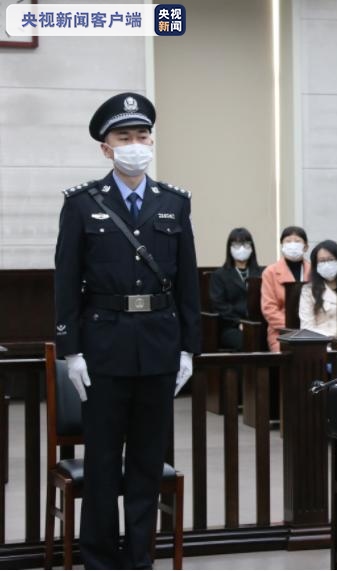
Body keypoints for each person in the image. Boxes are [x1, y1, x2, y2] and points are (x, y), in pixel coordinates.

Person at [53, 92, 200, 569]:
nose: (135, 145)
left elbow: (187, 282)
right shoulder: (81, 204)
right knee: (101, 462)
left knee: (145, 462)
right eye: (124, 137)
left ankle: (139, 559)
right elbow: (65, 281)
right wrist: (71, 350)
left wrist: (188, 349)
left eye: (142, 136)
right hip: (103, 348)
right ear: (106, 148)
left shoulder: (174, 203)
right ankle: (99, 560)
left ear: (151, 142)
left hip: (158, 347)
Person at [209, 227, 264, 350]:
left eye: (246, 244)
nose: (242, 248)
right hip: (232, 326)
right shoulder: (219, 275)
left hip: (259, 324)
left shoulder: (262, 273)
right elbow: (219, 305)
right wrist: (239, 322)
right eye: (237, 245)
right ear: (229, 248)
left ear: (252, 247)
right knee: (246, 341)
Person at [260, 226, 311, 351]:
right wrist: (294, 328)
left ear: (306, 247)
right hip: (281, 332)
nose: (292, 245)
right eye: (288, 241)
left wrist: (307, 327)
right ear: (282, 246)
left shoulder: (313, 270)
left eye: (297, 241)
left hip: (311, 331)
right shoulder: (270, 272)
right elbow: (269, 309)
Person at [298, 239, 337, 337]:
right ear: (315, 265)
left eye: (331, 259)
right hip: (321, 342)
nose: (327, 264)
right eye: (322, 261)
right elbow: (306, 327)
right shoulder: (308, 290)